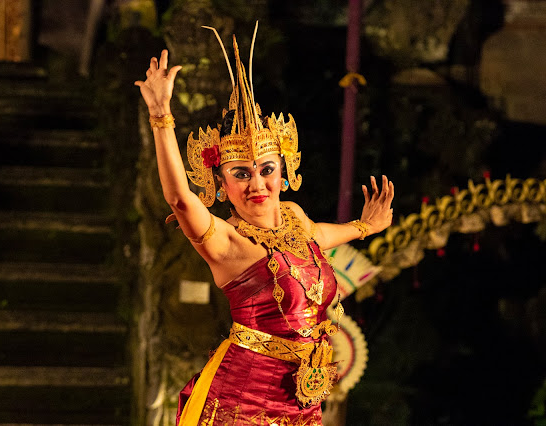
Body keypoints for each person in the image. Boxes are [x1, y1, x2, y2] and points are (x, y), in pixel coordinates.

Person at [135, 26, 394, 425]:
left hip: (303, 397)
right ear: (220, 184)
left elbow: (319, 237)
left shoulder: (293, 216)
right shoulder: (228, 242)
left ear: (284, 171)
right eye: (240, 174)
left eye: (266, 170)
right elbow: (180, 200)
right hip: (244, 400)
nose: (257, 184)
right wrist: (160, 116)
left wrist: (364, 226)